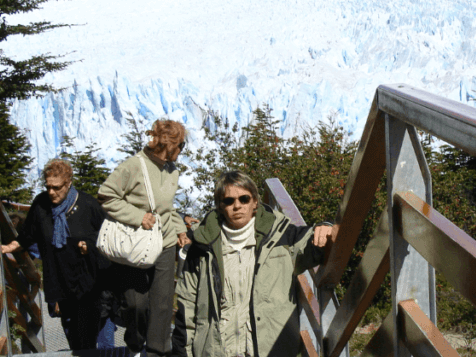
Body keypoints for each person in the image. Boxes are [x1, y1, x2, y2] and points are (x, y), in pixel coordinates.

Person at [173, 171, 335, 357]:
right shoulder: (201, 248)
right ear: (219, 205)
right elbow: (186, 308)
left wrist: (326, 226)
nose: (237, 206)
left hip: (270, 350)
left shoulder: (283, 237)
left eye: (244, 199)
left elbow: (314, 244)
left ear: (255, 202)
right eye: (229, 201)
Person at [99, 119, 190, 357]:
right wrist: (138, 216)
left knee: (161, 305)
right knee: (135, 304)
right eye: (182, 145)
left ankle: (156, 352)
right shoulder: (133, 166)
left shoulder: (172, 170)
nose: (183, 150)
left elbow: (167, 208)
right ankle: (135, 345)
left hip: (165, 243)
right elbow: (106, 195)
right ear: (170, 145)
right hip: (135, 244)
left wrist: (180, 229)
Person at [2, 159, 107, 351]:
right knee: (72, 337)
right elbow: (28, 235)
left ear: (68, 183)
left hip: (87, 285)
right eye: (48, 186)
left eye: (56, 187)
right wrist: (10, 246)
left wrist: (88, 246)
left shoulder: (88, 205)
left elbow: (106, 240)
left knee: (86, 341)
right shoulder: (41, 205)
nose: (51, 192)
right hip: (59, 285)